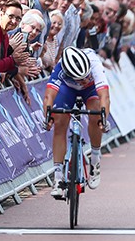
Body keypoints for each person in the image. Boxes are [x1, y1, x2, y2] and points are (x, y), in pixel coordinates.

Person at [43, 47, 111, 198]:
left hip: (91, 90)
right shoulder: (60, 67)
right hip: (68, 89)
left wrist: (103, 119)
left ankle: (95, 159)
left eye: (86, 76)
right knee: (59, 122)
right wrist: (47, 118)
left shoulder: (94, 63)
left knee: (96, 113)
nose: (84, 80)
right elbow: (48, 97)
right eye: (80, 78)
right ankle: (58, 177)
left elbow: (105, 97)